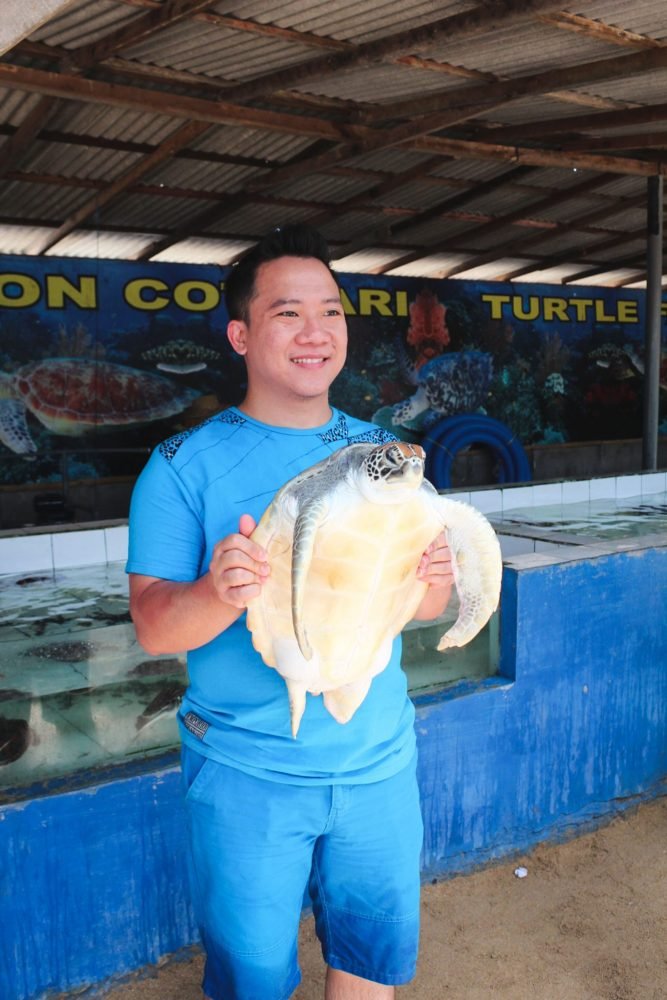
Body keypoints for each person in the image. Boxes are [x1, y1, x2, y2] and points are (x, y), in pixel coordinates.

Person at [126, 224, 454, 1000]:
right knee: (253, 976)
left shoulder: (385, 453)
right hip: (247, 773)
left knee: (371, 959)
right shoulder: (181, 468)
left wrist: (431, 576)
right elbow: (152, 627)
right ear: (241, 334)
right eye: (287, 314)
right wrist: (216, 592)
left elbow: (423, 604)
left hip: (377, 761)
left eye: (330, 313)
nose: (315, 334)